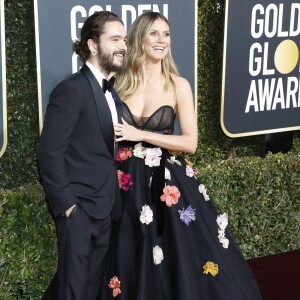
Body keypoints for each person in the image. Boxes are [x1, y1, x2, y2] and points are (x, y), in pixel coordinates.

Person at [98, 12, 262, 300]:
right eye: (154, 33)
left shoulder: (178, 85)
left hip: (166, 183)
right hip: (123, 182)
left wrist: (142, 135)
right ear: (139, 38)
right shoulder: (117, 83)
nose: (161, 40)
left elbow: (190, 142)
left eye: (167, 34)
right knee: (127, 254)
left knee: (176, 255)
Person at [38, 11, 127, 300]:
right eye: (114, 39)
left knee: (92, 289)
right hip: (79, 212)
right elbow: (49, 153)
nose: (123, 46)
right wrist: (69, 208)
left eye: (124, 39)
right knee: (74, 291)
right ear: (92, 44)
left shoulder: (112, 93)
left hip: (106, 207)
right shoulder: (71, 90)